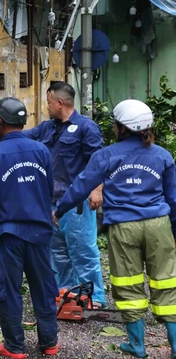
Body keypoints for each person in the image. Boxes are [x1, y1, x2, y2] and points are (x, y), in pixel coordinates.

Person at [54, 99, 176, 358]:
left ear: (119, 127)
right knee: (166, 283)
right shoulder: (163, 155)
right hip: (158, 225)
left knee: (128, 284)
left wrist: (59, 210)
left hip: (123, 227)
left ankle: (137, 345)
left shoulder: (105, 155)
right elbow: (173, 198)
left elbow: (80, 186)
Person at [0, 82, 107, 308]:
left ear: (59, 103)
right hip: (51, 203)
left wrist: (96, 189)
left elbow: (98, 161)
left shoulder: (86, 127)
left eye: (48, 102)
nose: (47, 107)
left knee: (83, 252)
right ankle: (66, 296)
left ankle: (95, 298)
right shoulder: (47, 128)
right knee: (58, 256)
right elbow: (17, 137)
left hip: (76, 204)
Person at [0, 97, 58, 358]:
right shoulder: (42, 151)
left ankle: (14, 346)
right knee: (43, 287)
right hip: (40, 232)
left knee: (7, 291)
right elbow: (48, 190)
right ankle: (49, 342)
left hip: (7, 235)